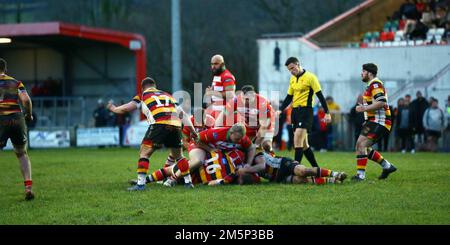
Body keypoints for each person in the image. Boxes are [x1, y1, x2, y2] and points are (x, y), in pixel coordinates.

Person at [107, 77, 197, 190]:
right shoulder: (168, 95)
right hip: (175, 124)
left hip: (159, 123)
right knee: (179, 156)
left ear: (143, 87)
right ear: (154, 86)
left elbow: (126, 109)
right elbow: (182, 114)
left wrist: (114, 109)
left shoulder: (142, 95)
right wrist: (193, 131)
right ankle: (188, 183)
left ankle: (140, 185)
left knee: (144, 153)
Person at [278, 57, 331, 168]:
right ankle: (316, 169)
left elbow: (320, 96)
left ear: (298, 64)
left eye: (293, 68)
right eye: (289, 70)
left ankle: (294, 170)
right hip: (295, 112)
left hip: (306, 111)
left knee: (297, 140)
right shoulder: (292, 79)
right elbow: (289, 97)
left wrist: (327, 112)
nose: (292, 71)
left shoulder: (311, 77)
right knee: (304, 145)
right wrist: (280, 110)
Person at [352, 63, 397, 181]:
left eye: (363, 71)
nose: (361, 73)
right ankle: (387, 166)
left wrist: (363, 109)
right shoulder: (370, 85)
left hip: (380, 122)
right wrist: (366, 117)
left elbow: (381, 102)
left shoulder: (375, 84)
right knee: (360, 146)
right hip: (373, 121)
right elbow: (375, 104)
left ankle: (360, 176)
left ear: (369, 73)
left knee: (362, 145)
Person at [0, 58, 35, 200]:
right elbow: (26, 100)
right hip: (17, 119)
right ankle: (28, 188)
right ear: (5, 69)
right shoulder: (16, 83)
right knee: (21, 154)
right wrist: (28, 115)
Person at [215, 85, 275, 152]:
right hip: (249, 126)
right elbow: (222, 116)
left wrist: (256, 145)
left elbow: (264, 127)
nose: (245, 101)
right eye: (243, 98)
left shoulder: (262, 103)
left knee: (266, 146)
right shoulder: (236, 100)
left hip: (265, 126)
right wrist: (216, 131)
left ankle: (271, 157)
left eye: (247, 99)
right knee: (244, 148)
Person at [237, 152, 347, 185]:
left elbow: (261, 166)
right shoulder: (246, 166)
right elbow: (256, 180)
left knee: (302, 171)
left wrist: (245, 170)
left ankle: (335, 174)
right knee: (300, 180)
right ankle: (332, 181)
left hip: (283, 164)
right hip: (277, 178)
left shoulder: (257, 156)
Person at [205, 54, 236, 119]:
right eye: (212, 64)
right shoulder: (217, 75)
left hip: (224, 114)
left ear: (222, 64)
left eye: (216, 64)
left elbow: (230, 94)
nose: (213, 66)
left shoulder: (227, 76)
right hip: (216, 112)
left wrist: (212, 92)